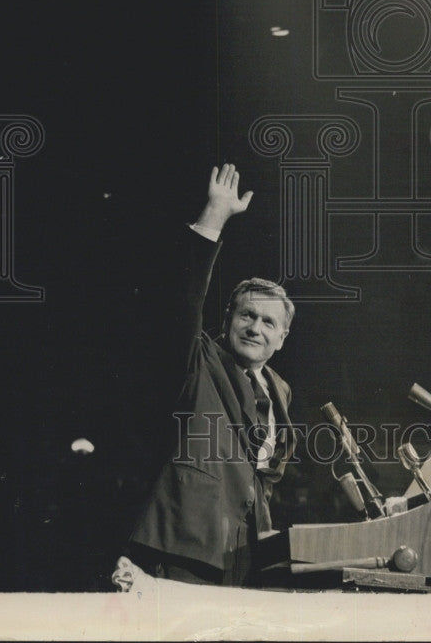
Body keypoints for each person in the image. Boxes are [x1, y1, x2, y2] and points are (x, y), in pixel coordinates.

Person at [112, 164, 297, 589]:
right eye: (247, 315)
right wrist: (215, 216)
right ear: (228, 318)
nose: (255, 328)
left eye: (269, 323)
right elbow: (179, 305)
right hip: (181, 547)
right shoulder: (199, 360)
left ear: (282, 338)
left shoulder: (280, 391)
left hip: (246, 558)